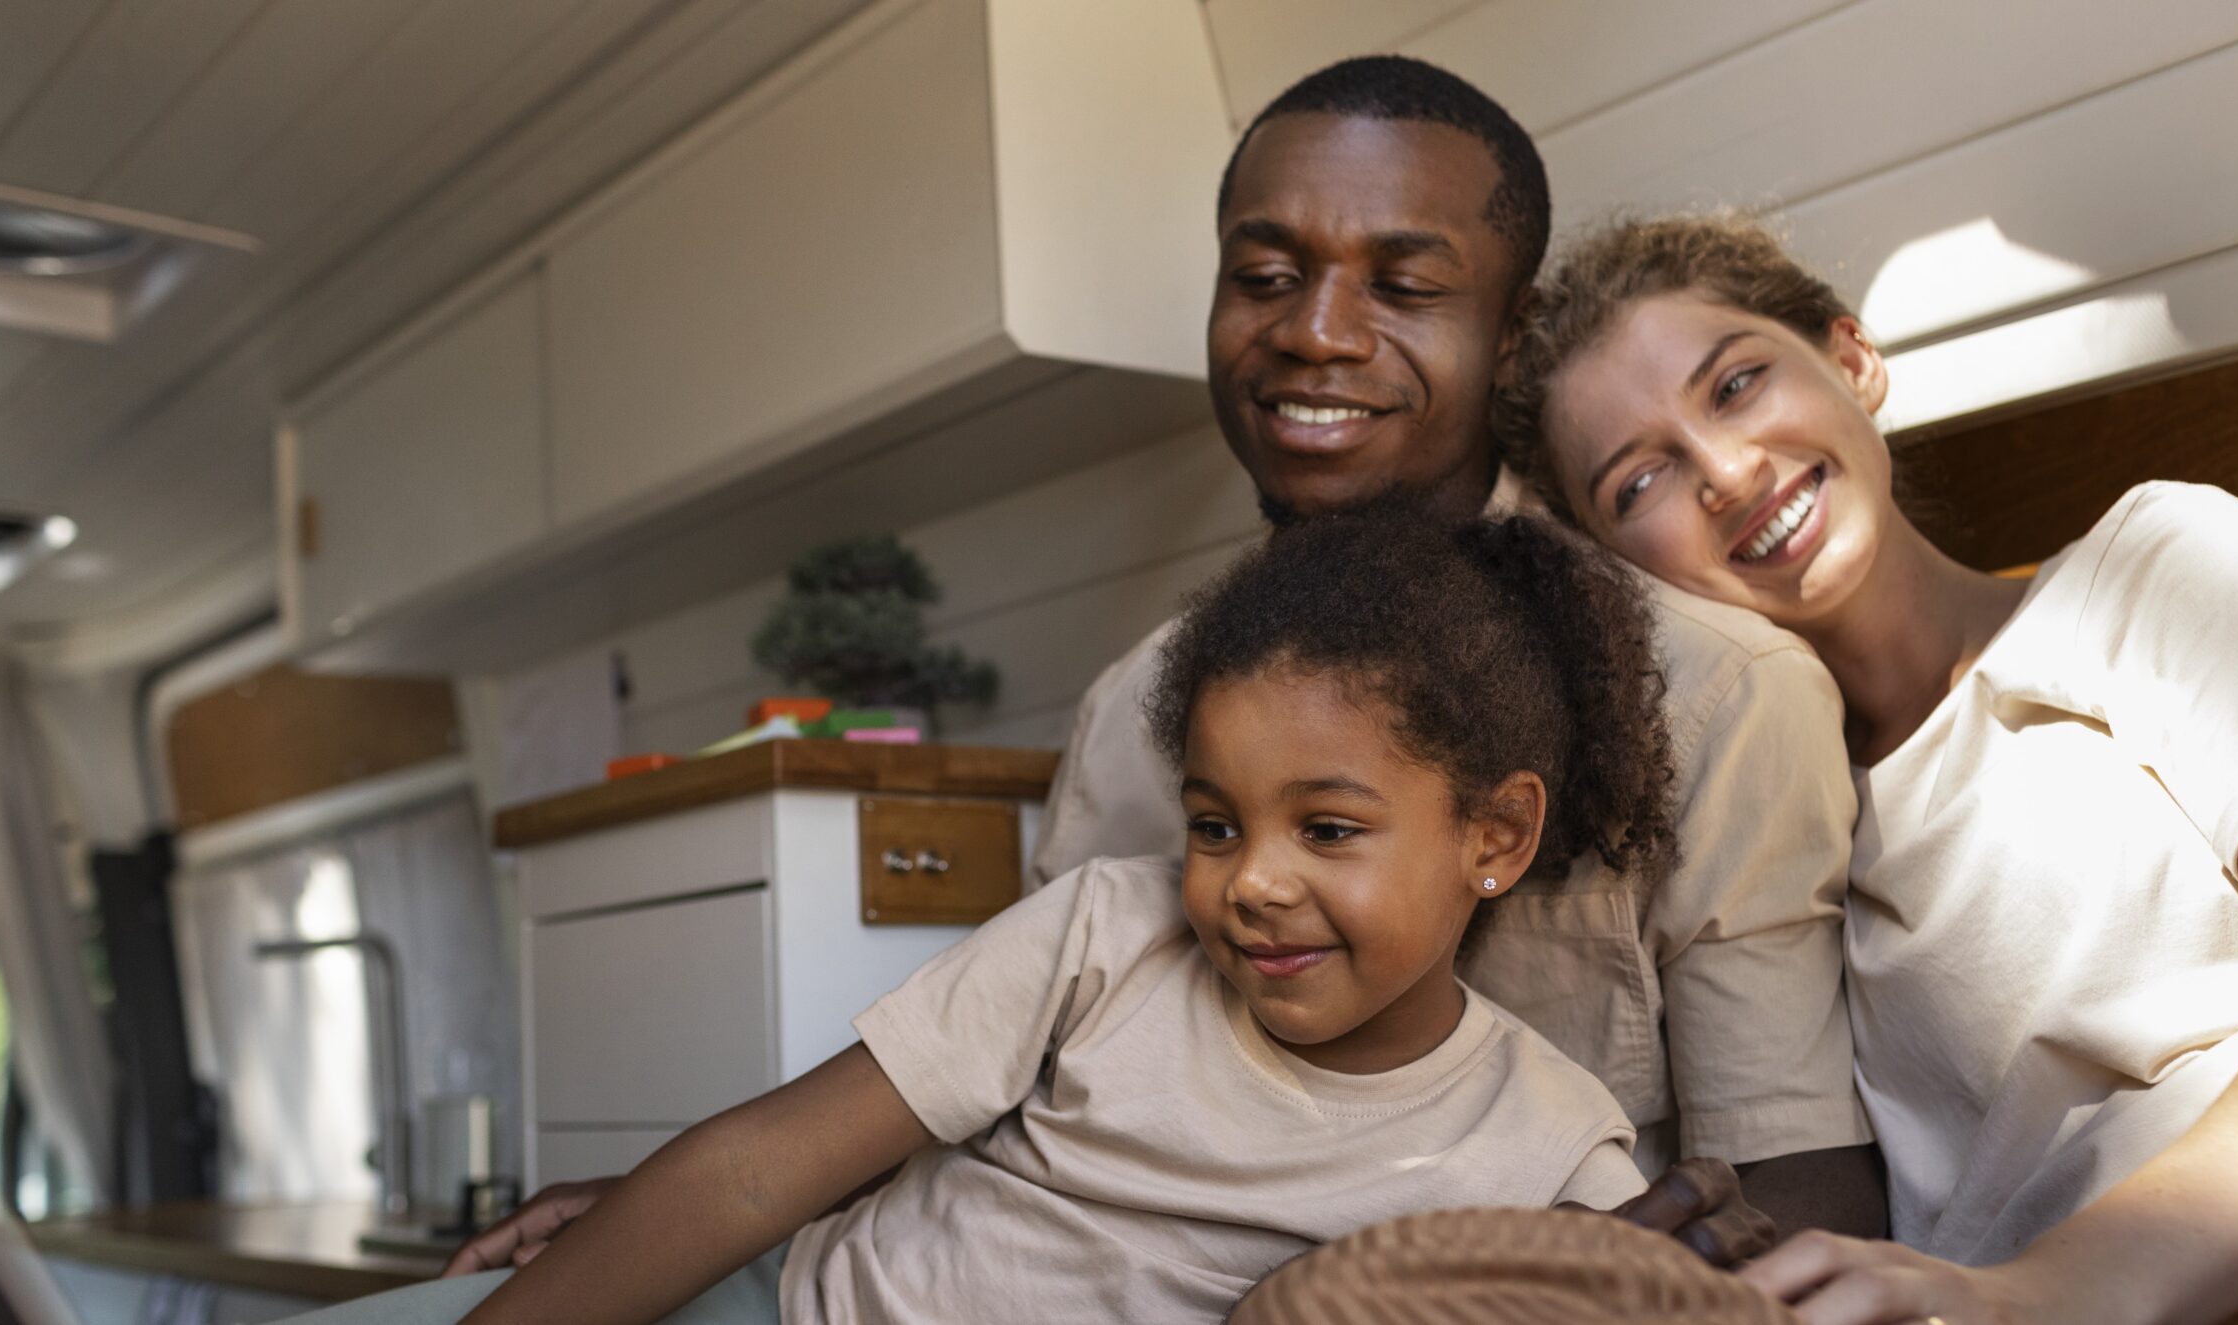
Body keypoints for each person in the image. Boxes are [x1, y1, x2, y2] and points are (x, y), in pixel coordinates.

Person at [452, 55, 1883, 1275]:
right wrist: (684, 1220)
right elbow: (1008, 1100)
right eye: (1264, 276)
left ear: (1509, 345)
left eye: (1401, 283)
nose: (1312, 332)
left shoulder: (1714, 697)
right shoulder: (1130, 712)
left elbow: (1798, 1197)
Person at [297, 505, 1683, 1325]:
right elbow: (760, 1170)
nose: (1250, 881)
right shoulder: (1107, 934)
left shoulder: (1550, 1139)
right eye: (1214, 824)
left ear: (1496, 836)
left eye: (1326, 829)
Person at [1494, 212, 2238, 1324]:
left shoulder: (2151, 571)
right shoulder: (1756, 847)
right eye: (1637, 483)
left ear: (1852, 358)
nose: (1724, 470)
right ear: (1616, 579)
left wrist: (2044, 1291)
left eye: (1736, 384)